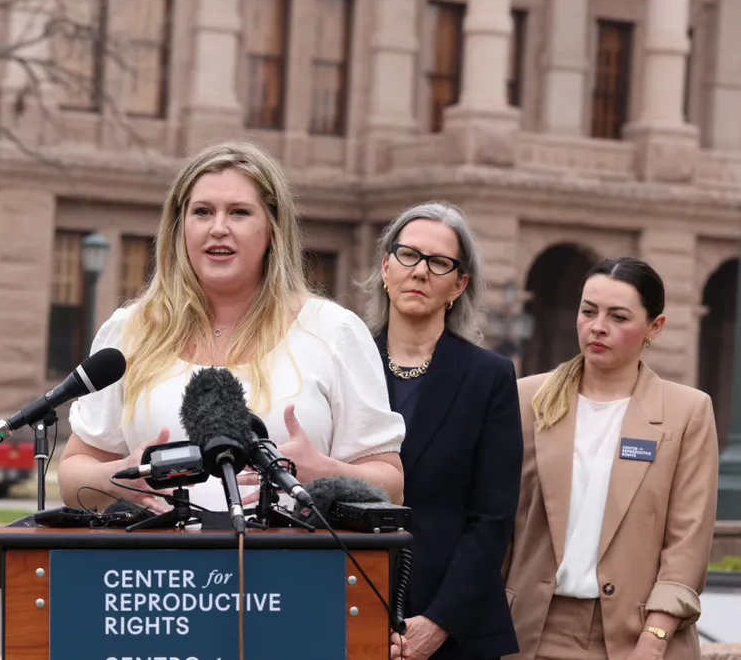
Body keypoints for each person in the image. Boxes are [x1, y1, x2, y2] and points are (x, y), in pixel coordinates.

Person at [56, 141, 405, 517]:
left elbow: (391, 483)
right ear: (180, 227)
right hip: (159, 568)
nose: (218, 228)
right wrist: (119, 477)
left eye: (239, 212)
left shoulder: (334, 331)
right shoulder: (130, 331)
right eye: (203, 212)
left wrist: (326, 474)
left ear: (272, 230)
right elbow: (72, 479)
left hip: (294, 564)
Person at [504, 257, 718, 660]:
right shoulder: (525, 400)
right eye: (588, 311)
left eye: (618, 316)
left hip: (637, 639)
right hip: (529, 634)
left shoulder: (686, 411)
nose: (597, 326)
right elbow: (497, 524)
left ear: (655, 327)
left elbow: (687, 544)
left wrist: (653, 640)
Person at [362, 202, 522, 660]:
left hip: (453, 628)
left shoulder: (489, 377)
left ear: (459, 285)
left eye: (439, 263)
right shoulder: (343, 366)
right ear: (386, 267)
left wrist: (438, 623)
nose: (420, 272)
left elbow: (492, 520)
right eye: (408, 255)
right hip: (348, 602)